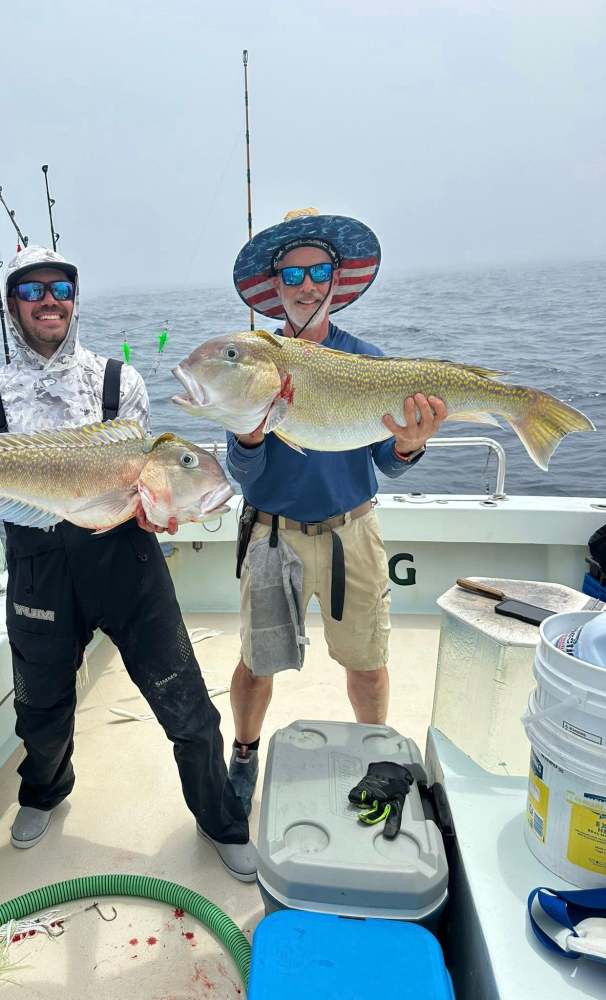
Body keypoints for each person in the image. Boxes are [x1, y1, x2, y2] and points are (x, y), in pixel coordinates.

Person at [0, 246, 255, 880]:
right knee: (40, 711)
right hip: (38, 567)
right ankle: (44, 792)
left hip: (126, 562)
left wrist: (162, 508)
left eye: (60, 288)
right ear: (12, 304)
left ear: (74, 297)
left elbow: (143, 487)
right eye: (32, 290)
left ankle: (221, 819)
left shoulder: (121, 382)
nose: (49, 300)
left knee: (187, 705)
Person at [225, 209, 448, 814]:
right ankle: (244, 752)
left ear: (336, 279)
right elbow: (243, 472)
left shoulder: (368, 361)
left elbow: (388, 462)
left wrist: (410, 444)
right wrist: (248, 436)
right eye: (292, 274)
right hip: (272, 535)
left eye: (318, 271)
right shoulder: (253, 361)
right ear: (275, 286)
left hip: (354, 532)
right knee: (257, 663)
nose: (306, 286)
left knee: (368, 665)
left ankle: (377, 756)